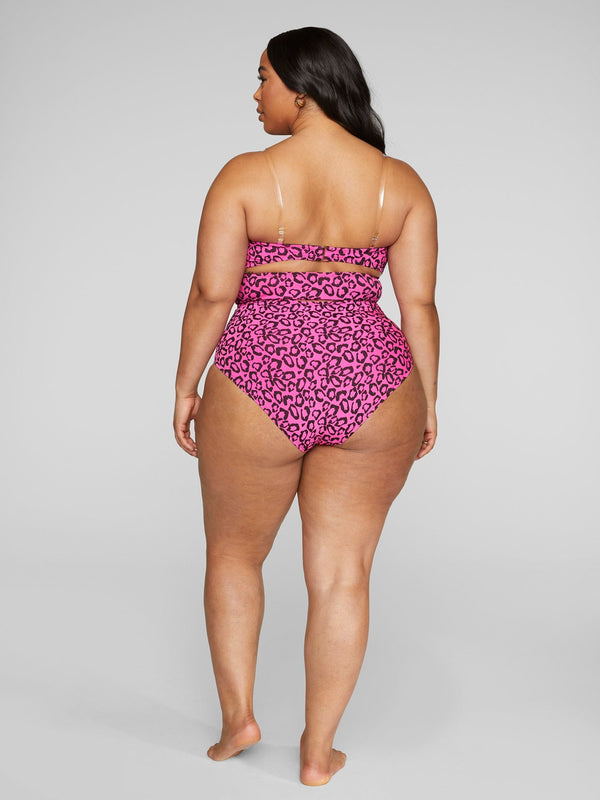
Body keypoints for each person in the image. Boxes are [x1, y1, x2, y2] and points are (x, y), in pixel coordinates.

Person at [173, 26, 439, 787]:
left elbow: (212, 293)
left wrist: (187, 386)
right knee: (343, 574)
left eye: (263, 78)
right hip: (374, 383)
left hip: (261, 377)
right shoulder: (400, 183)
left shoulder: (246, 176)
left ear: (301, 87)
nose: (256, 94)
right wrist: (427, 400)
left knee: (233, 555)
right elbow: (419, 305)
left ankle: (238, 722)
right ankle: (318, 754)